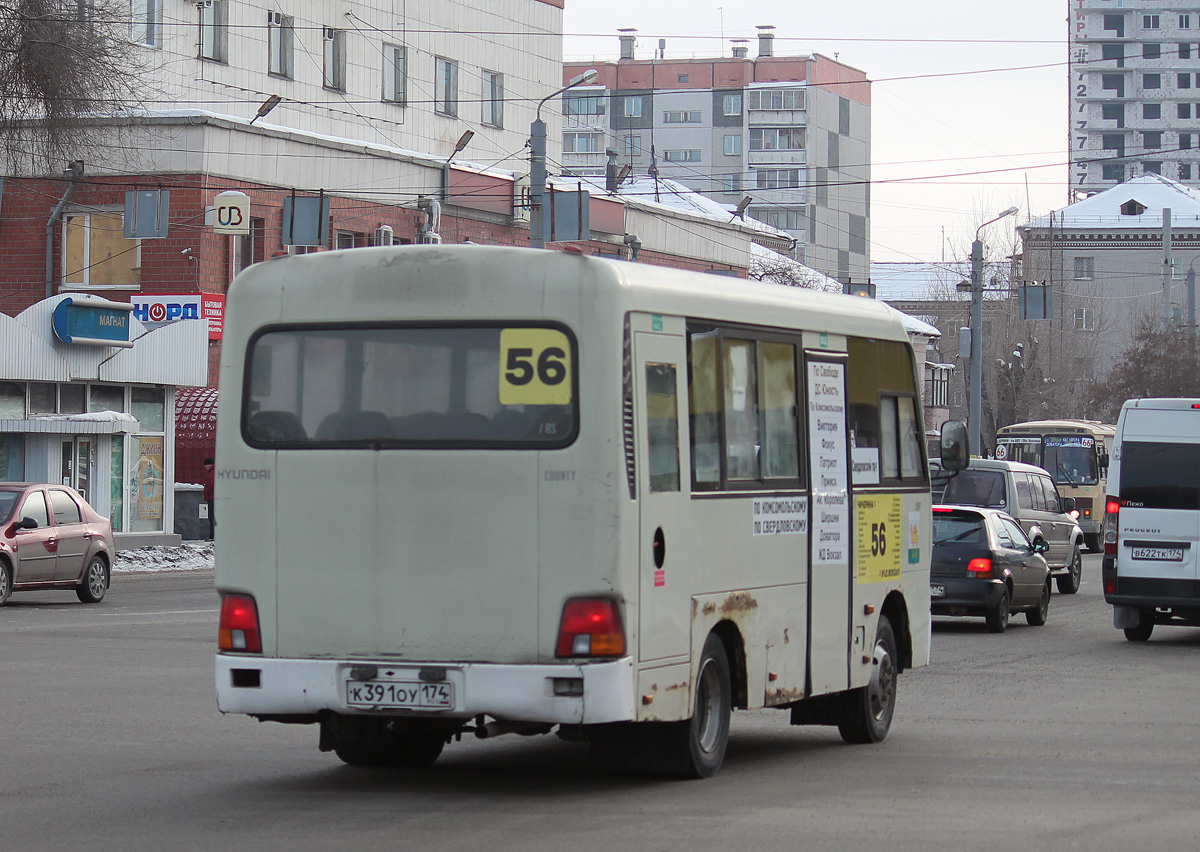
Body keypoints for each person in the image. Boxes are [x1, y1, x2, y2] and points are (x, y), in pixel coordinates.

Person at [202, 457, 215, 539]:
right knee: (212, 517)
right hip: (213, 498)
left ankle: (212, 536)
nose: (205, 469)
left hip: (212, 498)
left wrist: (206, 491)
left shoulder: (213, 473)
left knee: (212, 517)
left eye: (206, 467)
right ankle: (212, 535)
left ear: (209, 465)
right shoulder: (214, 472)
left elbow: (212, 484)